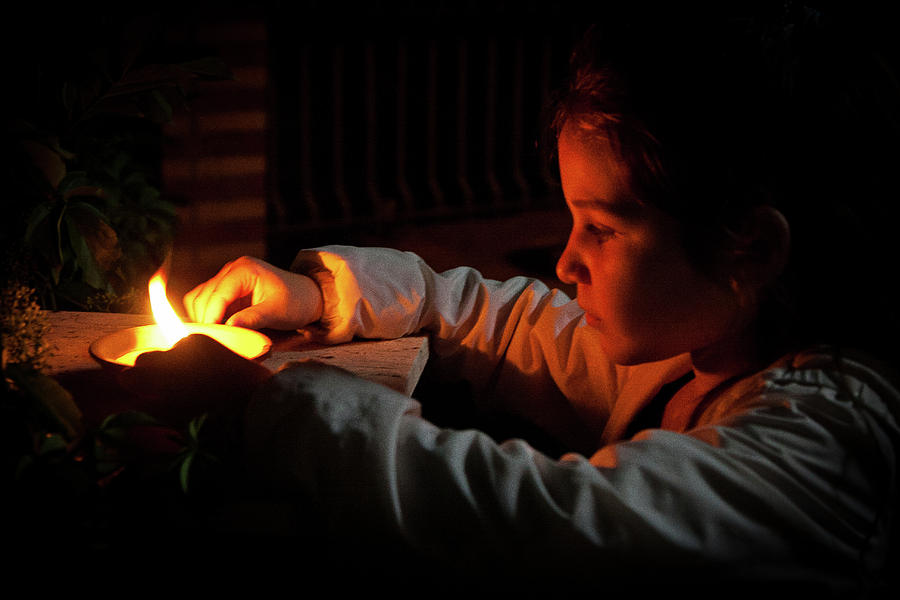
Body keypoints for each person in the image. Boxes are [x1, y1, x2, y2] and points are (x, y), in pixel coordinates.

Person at [135, 6, 900, 596]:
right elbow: (510, 320)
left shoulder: (822, 448)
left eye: (599, 228)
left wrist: (276, 401)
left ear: (752, 249)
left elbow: (538, 524)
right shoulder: (706, 344)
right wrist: (318, 292)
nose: (566, 262)